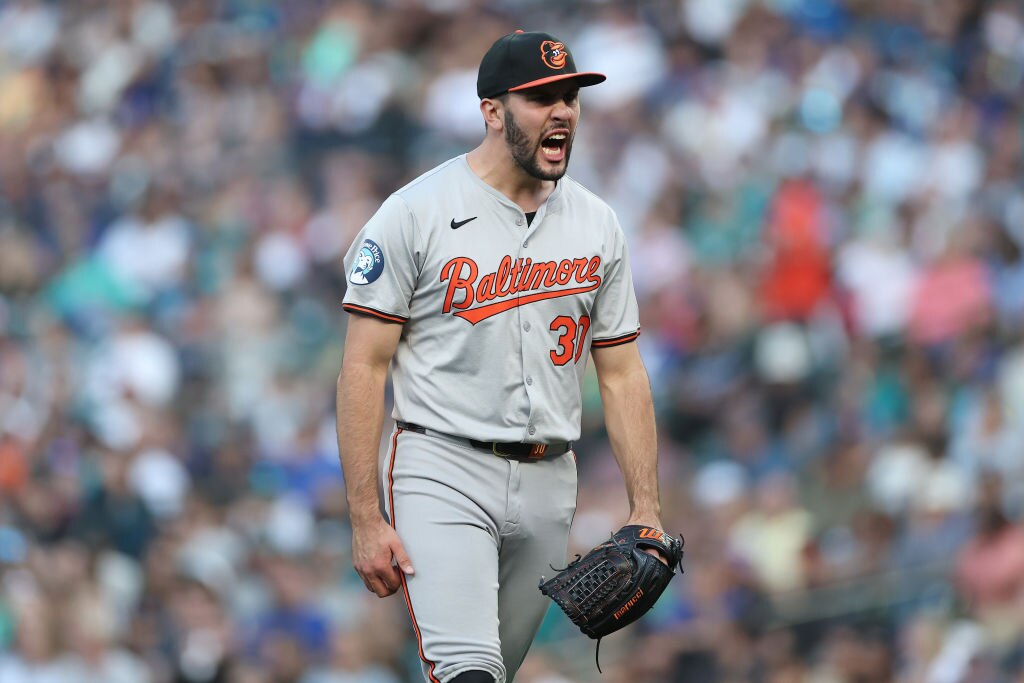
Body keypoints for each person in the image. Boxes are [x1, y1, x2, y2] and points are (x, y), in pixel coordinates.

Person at [336, 29, 669, 683]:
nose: (563, 111)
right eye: (541, 97)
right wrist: (365, 516)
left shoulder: (597, 222)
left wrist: (647, 507)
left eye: (569, 96)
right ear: (492, 111)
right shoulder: (415, 213)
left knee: (495, 674)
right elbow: (362, 367)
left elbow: (623, 370)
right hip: (442, 466)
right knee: (469, 670)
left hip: (550, 479)